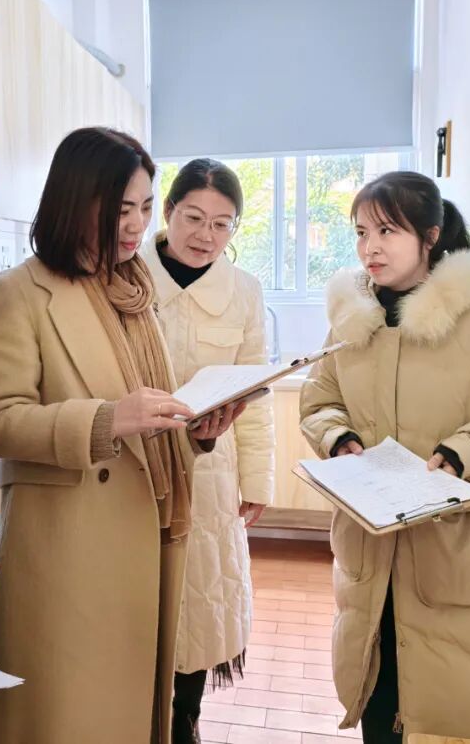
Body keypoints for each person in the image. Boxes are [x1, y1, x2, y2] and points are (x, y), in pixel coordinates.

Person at [0, 127, 244, 744]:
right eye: (122, 209)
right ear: (76, 200)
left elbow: (147, 421)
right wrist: (104, 420)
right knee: (70, 715)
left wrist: (195, 433)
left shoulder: (134, 291)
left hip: (147, 528)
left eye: (145, 208)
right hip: (69, 545)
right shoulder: (19, 292)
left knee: (133, 707)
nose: (136, 226)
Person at [299, 171, 470, 744]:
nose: (370, 247)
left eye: (387, 231)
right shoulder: (351, 323)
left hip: (458, 552)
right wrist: (337, 437)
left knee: (455, 713)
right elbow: (319, 400)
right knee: (380, 690)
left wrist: (463, 450)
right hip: (373, 549)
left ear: (430, 236)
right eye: (361, 232)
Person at [140, 159, 275, 743]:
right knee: (139, 597)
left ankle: (184, 719)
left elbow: (256, 394)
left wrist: (258, 481)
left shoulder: (244, 291)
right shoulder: (127, 275)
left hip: (212, 472)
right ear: (168, 211)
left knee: (199, 601)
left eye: (222, 224)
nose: (205, 235)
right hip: (135, 463)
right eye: (193, 218)